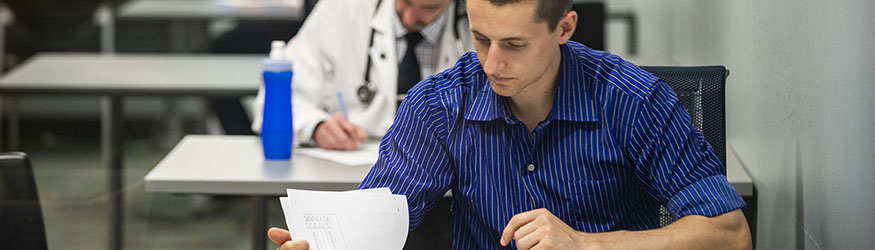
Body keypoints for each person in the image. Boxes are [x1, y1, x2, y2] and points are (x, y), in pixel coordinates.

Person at [269, 0, 752, 249]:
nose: (492, 64)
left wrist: (585, 244)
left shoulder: (632, 101)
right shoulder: (441, 105)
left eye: (515, 45)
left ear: (564, 28)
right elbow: (373, 220)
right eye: (480, 39)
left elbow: (729, 235)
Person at [251, 0, 474, 150]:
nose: (408, 18)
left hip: (447, 187)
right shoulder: (342, 8)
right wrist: (317, 127)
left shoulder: (478, 23)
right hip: (349, 180)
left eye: (428, 8)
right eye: (405, 1)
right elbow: (276, 100)